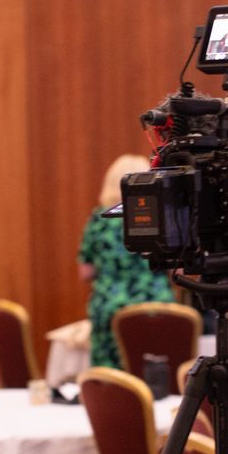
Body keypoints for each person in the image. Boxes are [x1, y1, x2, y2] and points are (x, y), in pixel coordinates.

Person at [79, 152, 175, 370]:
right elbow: (175, 268)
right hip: (154, 307)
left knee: (111, 378)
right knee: (155, 374)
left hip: (109, 309)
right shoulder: (159, 217)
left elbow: (85, 272)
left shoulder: (99, 220)